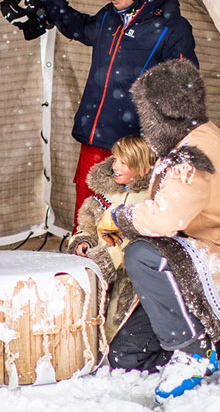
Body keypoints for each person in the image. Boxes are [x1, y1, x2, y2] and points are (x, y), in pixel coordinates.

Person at [98, 59, 220, 401]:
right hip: (197, 261)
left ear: (162, 113)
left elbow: (164, 220)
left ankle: (194, 350)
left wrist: (120, 218)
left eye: (147, 114)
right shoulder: (191, 138)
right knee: (126, 358)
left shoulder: (192, 153)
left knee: (141, 254)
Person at [27, 0, 198, 229]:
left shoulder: (173, 29)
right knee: (86, 212)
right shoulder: (110, 16)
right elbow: (81, 27)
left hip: (133, 146)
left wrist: (171, 146)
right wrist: (46, 0)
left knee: (125, 215)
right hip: (95, 135)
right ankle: (81, 261)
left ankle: (119, 270)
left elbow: (185, 92)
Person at [68, 135, 168, 370]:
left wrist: (106, 260)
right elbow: (86, 229)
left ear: (142, 166)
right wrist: (82, 242)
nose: (115, 166)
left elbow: (143, 246)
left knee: (123, 358)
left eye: (123, 162)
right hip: (104, 287)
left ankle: (186, 350)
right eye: (115, 160)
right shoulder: (102, 198)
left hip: (139, 294)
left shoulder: (153, 202)